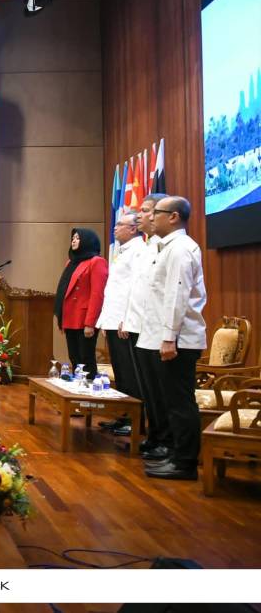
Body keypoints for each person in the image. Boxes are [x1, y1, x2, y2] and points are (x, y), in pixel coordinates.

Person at [138, 196, 207, 481]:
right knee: (171, 402)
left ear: (174, 217)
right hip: (169, 337)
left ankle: (184, 462)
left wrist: (168, 338)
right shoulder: (166, 248)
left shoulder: (180, 249)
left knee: (180, 403)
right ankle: (175, 454)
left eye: (157, 212)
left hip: (179, 340)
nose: (151, 217)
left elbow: (176, 296)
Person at [122, 193, 167, 457]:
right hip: (139, 326)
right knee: (148, 389)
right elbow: (135, 290)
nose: (140, 215)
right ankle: (155, 435)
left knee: (159, 391)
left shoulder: (168, 247)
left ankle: (165, 441)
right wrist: (128, 318)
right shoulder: (149, 247)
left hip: (156, 330)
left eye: (147, 210)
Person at [95, 211, 146, 434]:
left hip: (125, 322)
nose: (115, 228)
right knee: (121, 373)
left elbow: (135, 288)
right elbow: (114, 290)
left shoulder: (139, 251)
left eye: (120, 224)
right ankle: (124, 415)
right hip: (113, 320)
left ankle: (135, 421)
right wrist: (105, 320)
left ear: (133, 229)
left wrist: (126, 318)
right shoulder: (123, 251)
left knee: (130, 373)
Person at [54, 228, 108, 378]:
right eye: (73, 238)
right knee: (74, 357)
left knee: (86, 358)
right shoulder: (71, 262)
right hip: (70, 317)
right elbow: (64, 291)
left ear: (87, 241)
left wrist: (90, 323)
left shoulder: (97, 261)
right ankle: (77, 388)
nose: (74, 240)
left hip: (84, 319)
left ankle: (89, 387)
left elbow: (97, 294)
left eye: (78, 238)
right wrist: (61, 318)